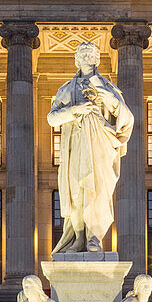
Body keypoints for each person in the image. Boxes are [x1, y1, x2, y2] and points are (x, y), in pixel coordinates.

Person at [47, 42, 134, 254]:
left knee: (97, 193)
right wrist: (75, 110)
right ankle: (78, 239)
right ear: (77, 60)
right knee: (76, 193)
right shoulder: (67, 89)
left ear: (97, 59)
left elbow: (127, 118)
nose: (87, 58)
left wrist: (111, 101)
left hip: (100, 146)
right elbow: (51, 118)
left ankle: (94, 238)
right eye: (83, 55)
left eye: (91, 55)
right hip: (75, 145)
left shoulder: (109, 88)